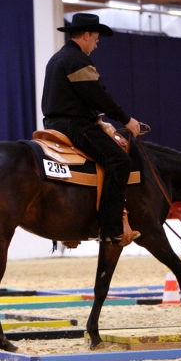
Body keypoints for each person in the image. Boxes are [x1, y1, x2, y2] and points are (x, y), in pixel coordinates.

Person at [41, 13, 141, 244]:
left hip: (52, 124)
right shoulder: (78, 60)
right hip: (74, 125)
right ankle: (110, 228)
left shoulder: (57, 58)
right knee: (120, 161)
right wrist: (125, 119)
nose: (96, 45)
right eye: (96, 39)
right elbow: (98, 96)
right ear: (86, 35)